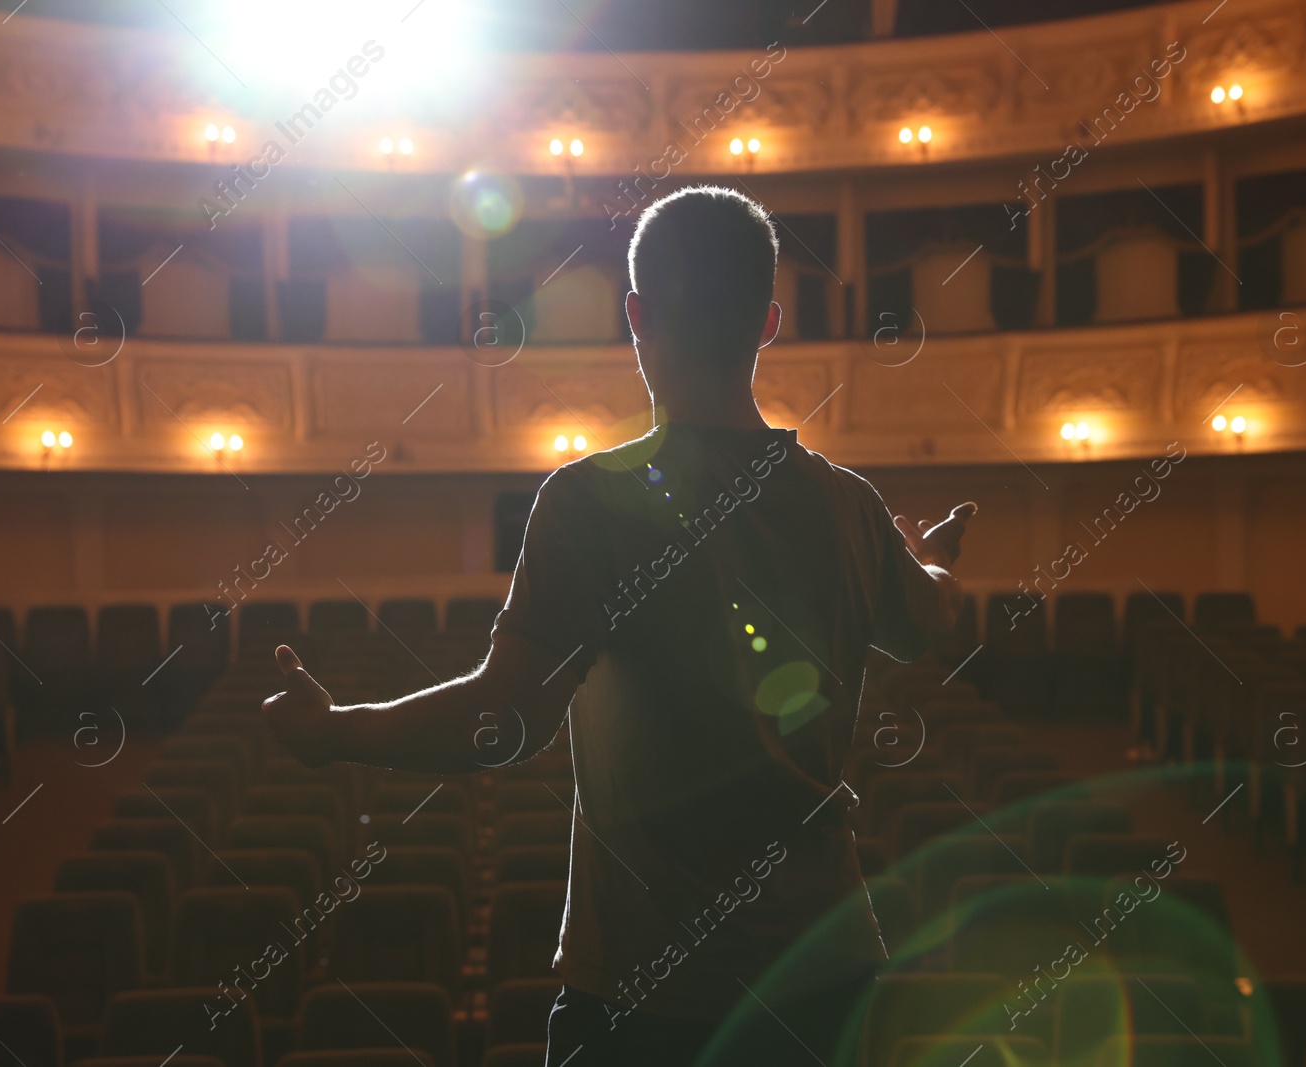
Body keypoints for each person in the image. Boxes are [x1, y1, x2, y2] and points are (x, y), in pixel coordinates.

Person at [263, 185, 976, 1066]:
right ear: (767, 322)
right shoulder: (849, 507)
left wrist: (335, 732)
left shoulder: (588, 502)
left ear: (635, 315)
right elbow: (934, 622)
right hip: (823, 977)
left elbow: (505, 720)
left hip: (650, 991)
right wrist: (929, 554)